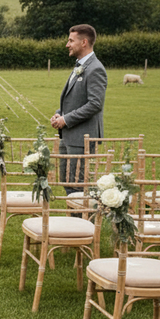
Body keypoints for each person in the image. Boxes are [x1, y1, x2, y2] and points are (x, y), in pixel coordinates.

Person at [50, 24, 108, 193]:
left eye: (71, 40)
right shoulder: (79, 66)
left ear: (84, 42)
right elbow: (73, 99)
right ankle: (72, 219)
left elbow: (95, 104)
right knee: (67, 183)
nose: (67, 44)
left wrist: (66, 119)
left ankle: (82, 220)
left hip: (83, 139)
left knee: (78, 186)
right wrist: (58, 114)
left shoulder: (95, 68)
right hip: (68, 136)